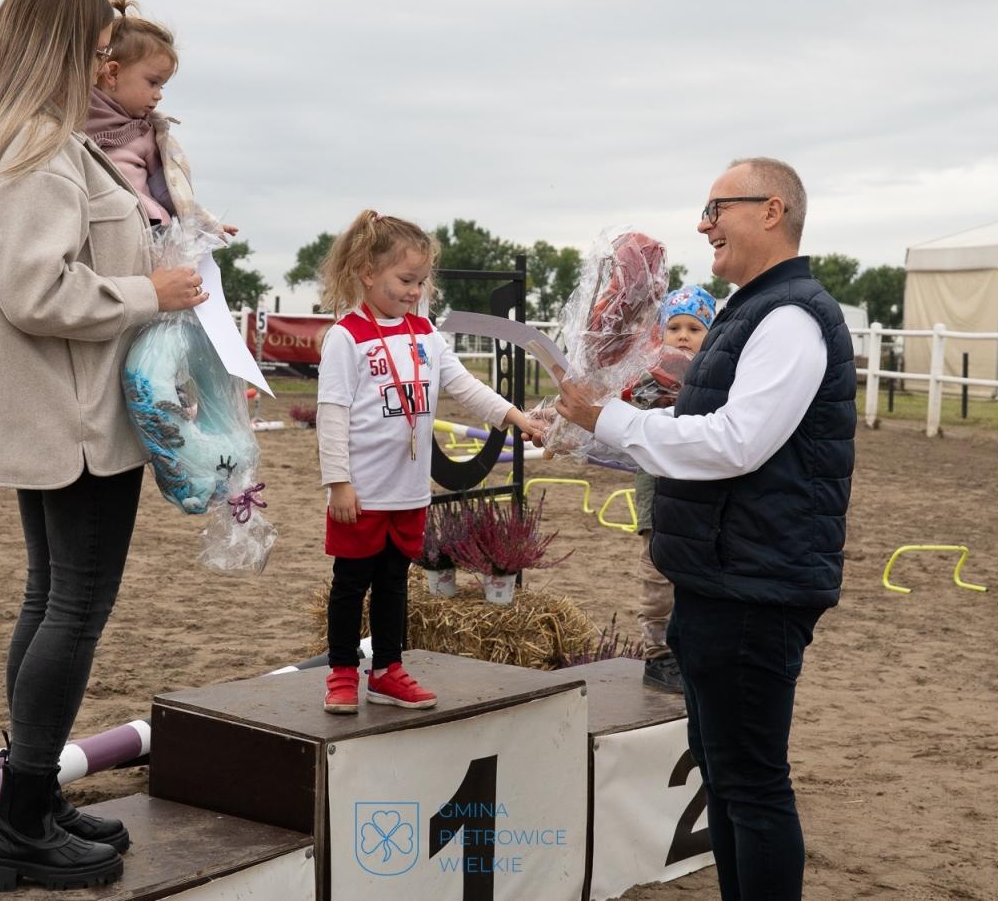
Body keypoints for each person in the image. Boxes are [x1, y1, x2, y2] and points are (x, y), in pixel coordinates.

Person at [0, 0, 205, 892]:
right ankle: (18, 825)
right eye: (92, 48)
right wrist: (151, 292)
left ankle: (31, 795)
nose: (102, 63)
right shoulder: (37, 146)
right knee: (74, 609)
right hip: (77, 413)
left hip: (47, 408)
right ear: (56, 45)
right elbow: (34, 285)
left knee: (48, 600)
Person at [556, 157, 854, 901]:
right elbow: (694, 424)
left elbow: (732, 443)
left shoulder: (789, 317)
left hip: (753, 588)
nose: (703, 223)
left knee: (750, 786)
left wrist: (609, 417)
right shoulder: (750, 311)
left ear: (772, 210)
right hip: (721, 577)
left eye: (717, 207)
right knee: (722, 777)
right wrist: (586, 428)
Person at [316, 209, 543, 714]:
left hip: (410, 490)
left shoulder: (426, 334)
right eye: (405, 279)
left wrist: (512, 416)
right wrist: (338, 483)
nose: (415, 291)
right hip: (361, 491)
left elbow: (463, 385)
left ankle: (388, 670)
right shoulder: (346, 336)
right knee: (351, 584)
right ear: (366, 273)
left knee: (395, 583)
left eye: (421, 281)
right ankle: (341, 672)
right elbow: (331, 415)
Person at [86, 0, 236, 235]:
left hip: (146, 233)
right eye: (152, 82)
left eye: (161, 86)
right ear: (112, 74)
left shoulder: (145, 134)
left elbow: (171, 193)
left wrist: (205, 225)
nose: (158, 95)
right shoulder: (70, 123)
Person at [630, 284, 716, 693]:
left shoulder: (719, 381)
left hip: (700, 497)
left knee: (695, 573)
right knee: (657, 573)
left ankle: (686, 649)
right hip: (659, 494)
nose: (683, 335)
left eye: (695, 328)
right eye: (675, 327)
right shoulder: (649, 380)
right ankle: (657, 654)